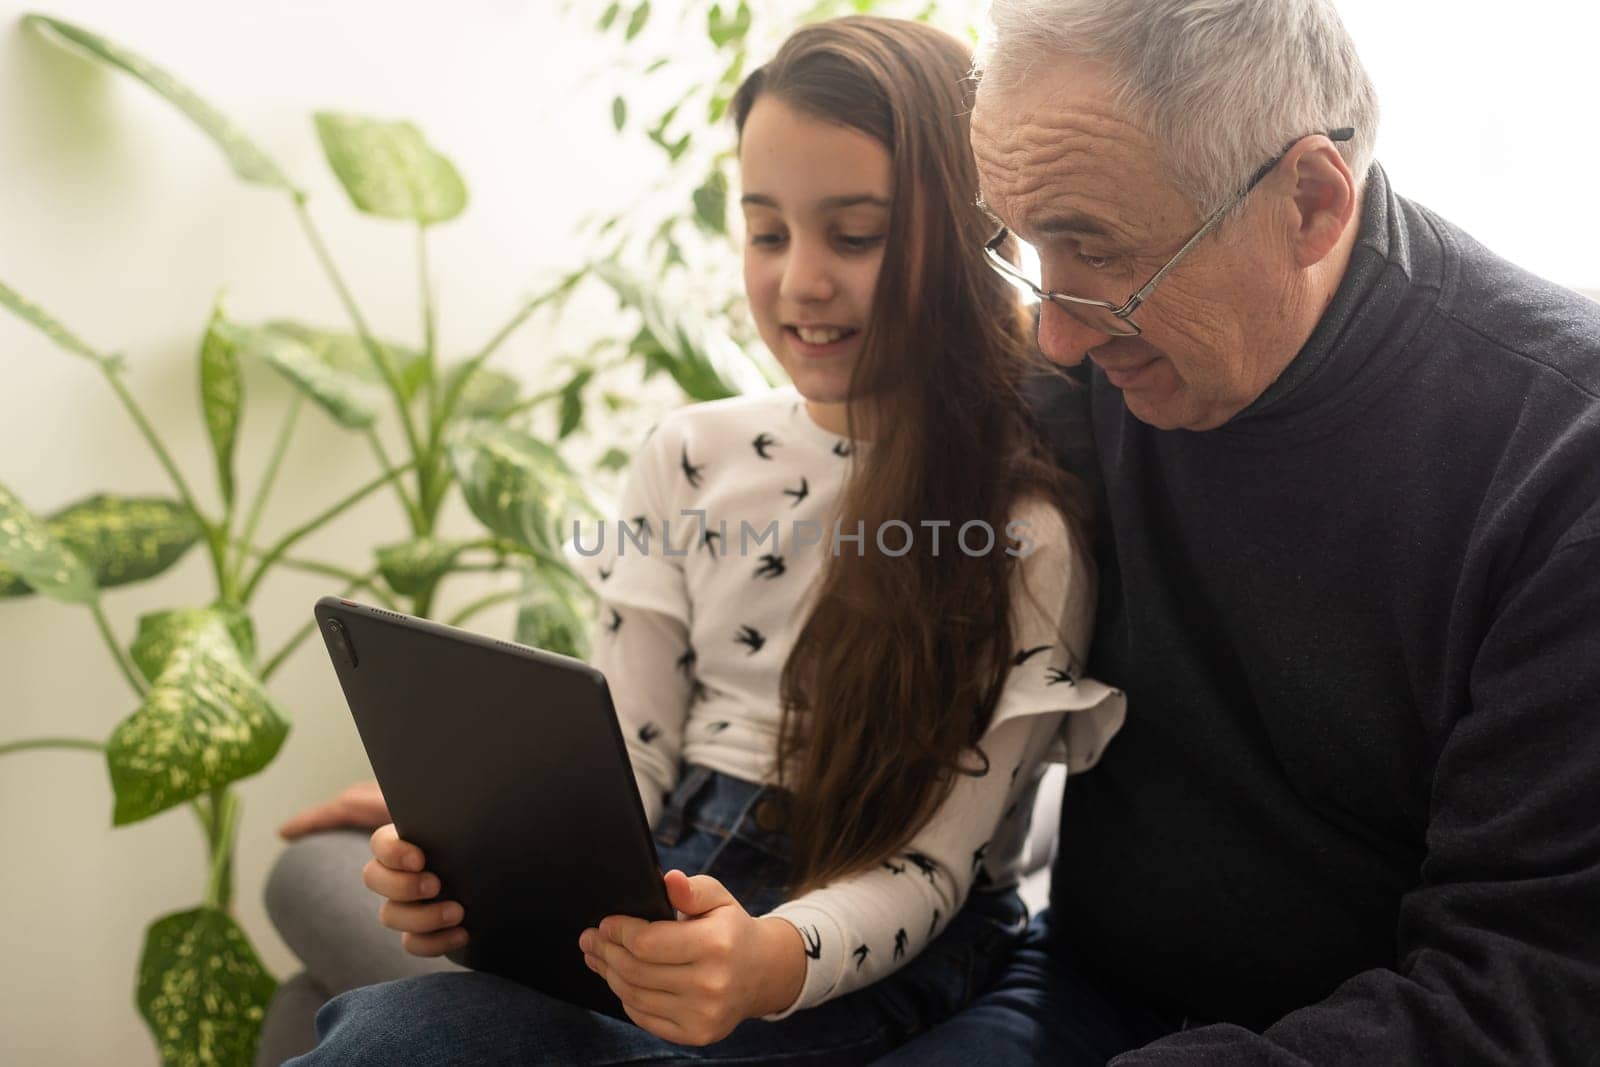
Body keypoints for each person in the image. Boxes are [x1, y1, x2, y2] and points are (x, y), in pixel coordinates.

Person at [282, 16, 1125, 1064]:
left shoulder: (1023, 532)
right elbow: (628, 759)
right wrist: (486, 868)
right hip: (672, 873)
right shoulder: (685, 455)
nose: (799, 281)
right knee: (391, 1030)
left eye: (853, 235)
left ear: (967, 234)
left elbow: (932, 870)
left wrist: (767, 958)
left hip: (867, 937)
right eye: (767, 232)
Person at [873, 0, 1600, 1063]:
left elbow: (1530, 983)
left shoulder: (1559, 460)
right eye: (1027, 245)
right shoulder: (1108, 357)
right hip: (1077, 985)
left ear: (1308, 201)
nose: (1057, 335)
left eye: (1096, 249)